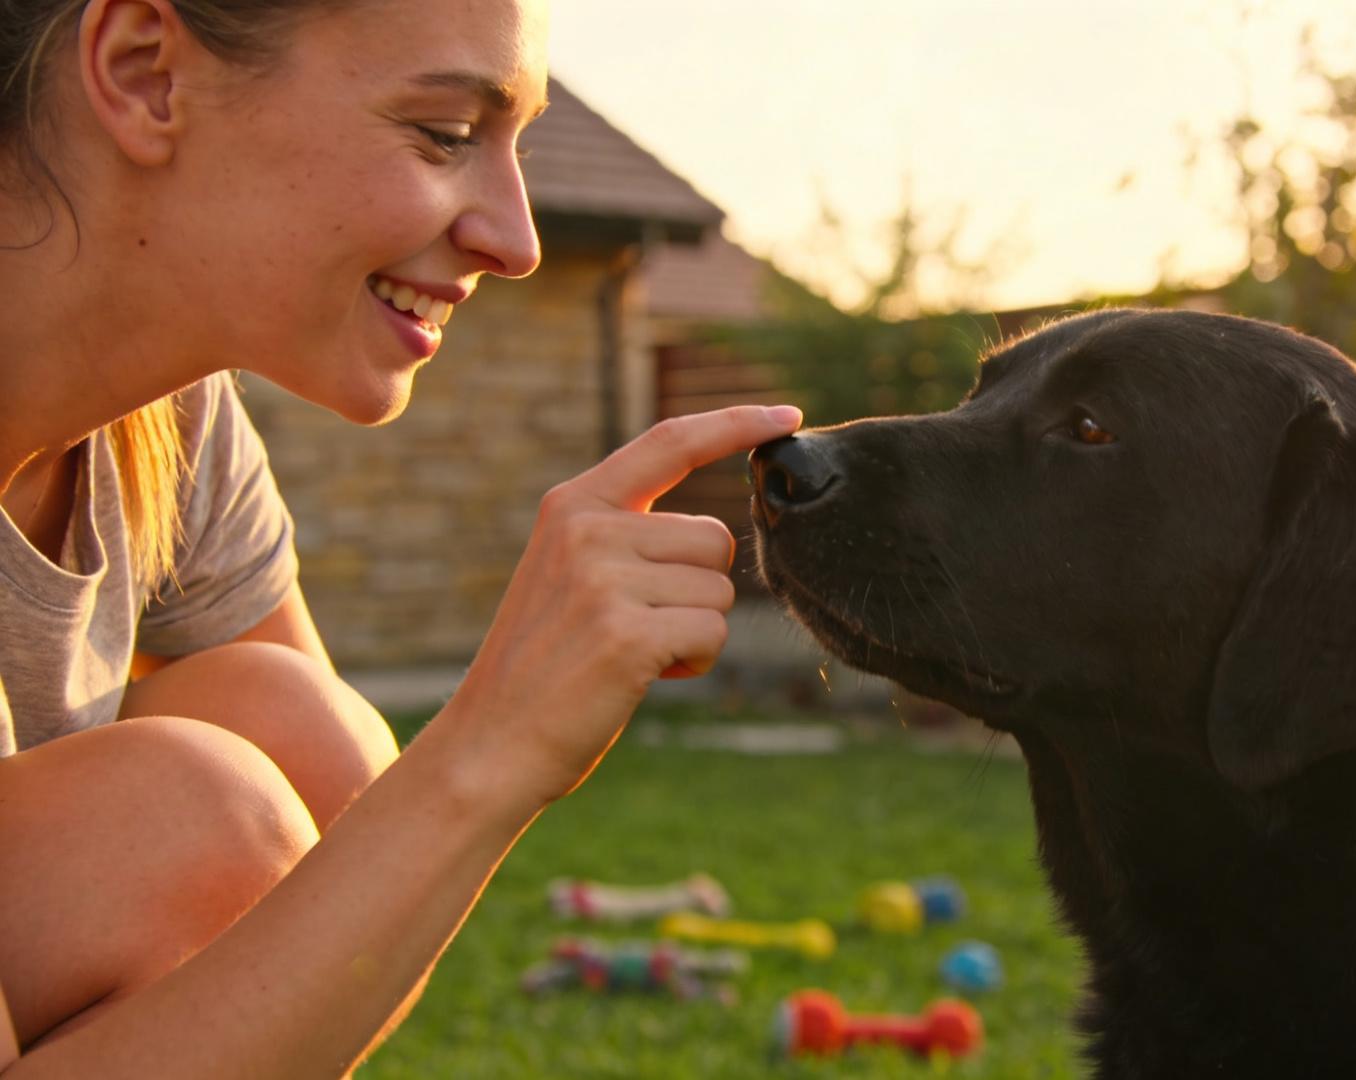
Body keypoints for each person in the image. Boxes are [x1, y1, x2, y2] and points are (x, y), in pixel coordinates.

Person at [0, 0, 799, 1074]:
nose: (517, 241)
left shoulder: (172, 423)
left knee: (305, 738)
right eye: (446, 136)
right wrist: (492, 746)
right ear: (147, 73)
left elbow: (337, 869)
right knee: (197, 822)